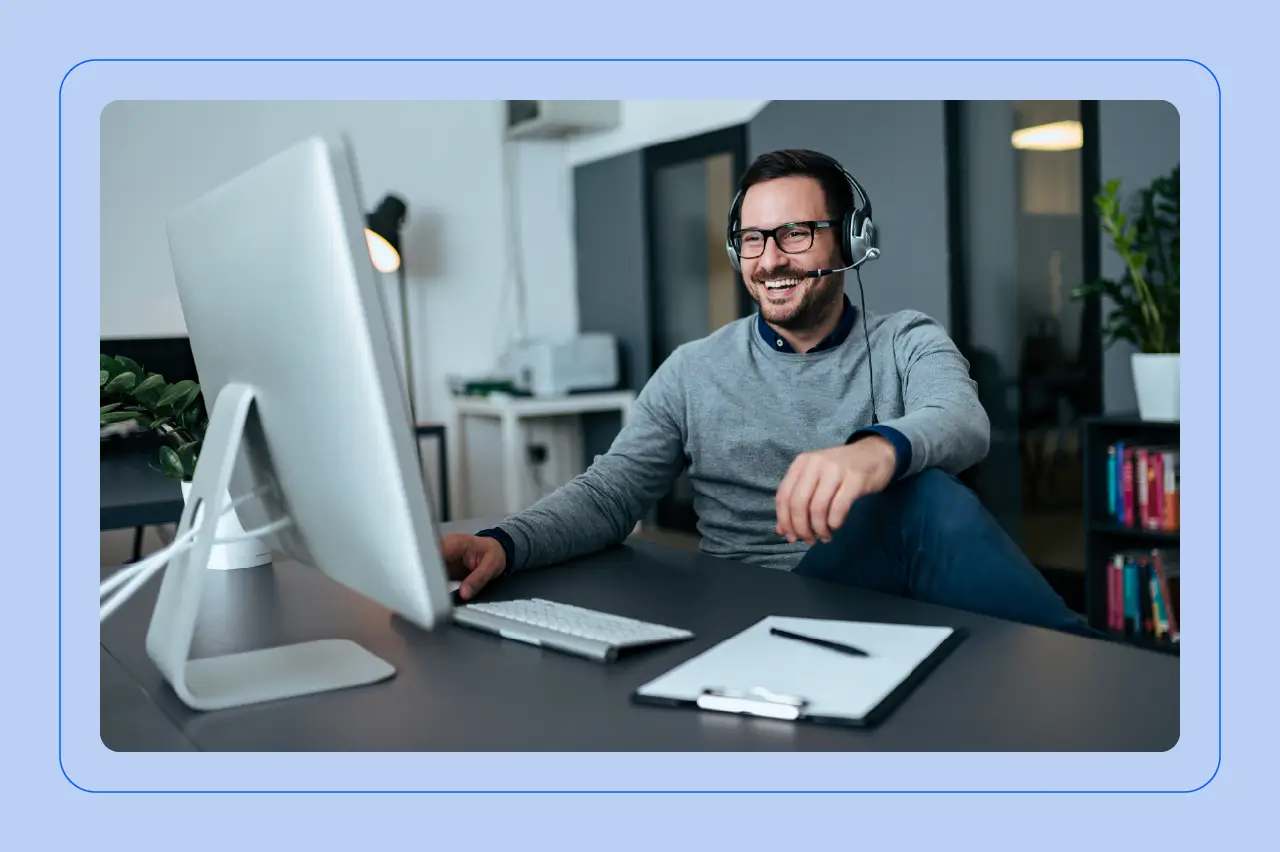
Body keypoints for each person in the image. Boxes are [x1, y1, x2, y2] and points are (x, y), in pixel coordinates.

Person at [442, 148, 1093, 637]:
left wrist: (875, 453)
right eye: (753, 239)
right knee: (918, 500)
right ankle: (1094, 665)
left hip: (880, 598)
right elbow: (611, 494)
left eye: (795, 234)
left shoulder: (906, 340)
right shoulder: (694, 368)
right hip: (748, 608)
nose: (771, 259)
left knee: (916, 497)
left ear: (852, 240)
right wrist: (504, 542)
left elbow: (961, 419)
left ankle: (1087, 669)